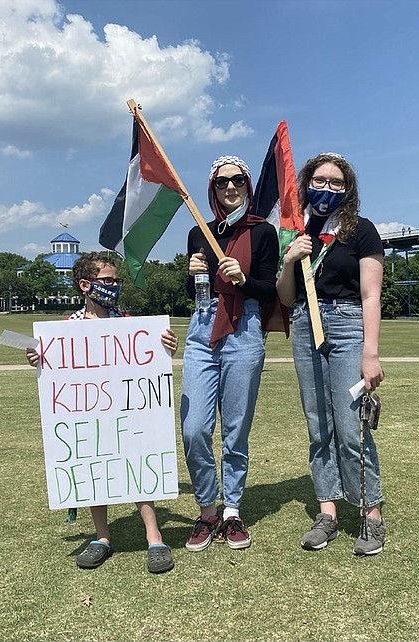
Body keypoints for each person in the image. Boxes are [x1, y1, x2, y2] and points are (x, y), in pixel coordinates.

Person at [26, 252, 178, 573]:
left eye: (115, 281)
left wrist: (166, 345)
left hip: (128, 412)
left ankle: (154, 536)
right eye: (107, 281)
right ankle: (102, 537)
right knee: (94, 465)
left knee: (137, 461)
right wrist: (40, 358)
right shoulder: (69, 328)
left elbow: (149, 359)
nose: (114, 286)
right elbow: (60, 370)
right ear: (85, 285)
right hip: (91, 416)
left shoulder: (130, 324)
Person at [275, 152, 387, 556]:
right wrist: (289, 260)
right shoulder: (295, 230)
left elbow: (372, 295)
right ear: (305, 183)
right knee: (317, 422)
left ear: (348, 189)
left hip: (346, 322)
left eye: (336, 183)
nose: (327, 189)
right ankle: (327, 511)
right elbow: (286, 298)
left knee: (349, 422)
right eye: (320, 181)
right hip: (305, 323)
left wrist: (370, 354)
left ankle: (371, 514)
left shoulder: (360, 230)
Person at [180, 155, 279, 551]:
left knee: (235, 430)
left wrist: (245, 280)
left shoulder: (263, 232)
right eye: (222, 182)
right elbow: (193, 292)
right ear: (212, 188)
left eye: (237, 180)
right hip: (203, 325)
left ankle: (232, 510)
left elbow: (270, 290)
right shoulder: (198, 231)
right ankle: (207, 509)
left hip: (245, 328)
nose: (230, 187)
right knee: (194, 428)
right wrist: (190, 275)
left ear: (248, 185)